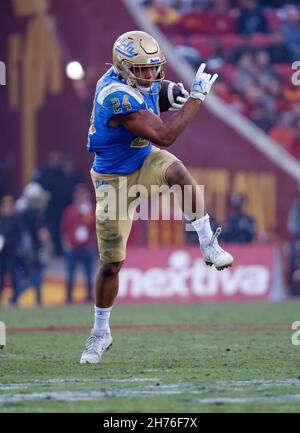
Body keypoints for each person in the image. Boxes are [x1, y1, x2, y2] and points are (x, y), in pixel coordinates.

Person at [80, 30, 234, 364]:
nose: (149, 75)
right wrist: (194, 98)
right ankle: (100, 331)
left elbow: (155, 94)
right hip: (113, 179)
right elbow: (165, 135)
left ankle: (208, 243)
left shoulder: (137, 81)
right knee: (111, 264)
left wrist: (172, 93)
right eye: (142, 69)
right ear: (123, 67)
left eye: (153, 68)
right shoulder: (114, 94)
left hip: (144, 160)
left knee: (178, 173)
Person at [61, 184, 95, 303]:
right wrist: (66, 242)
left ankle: (89, 297)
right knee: (70, 274)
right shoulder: (70, 211)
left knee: (89, 274)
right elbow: (64, 228)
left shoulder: (91, 211)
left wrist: (93, 243)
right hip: (73, 247)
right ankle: (69, 298)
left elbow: (96, 228)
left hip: (87, 247)